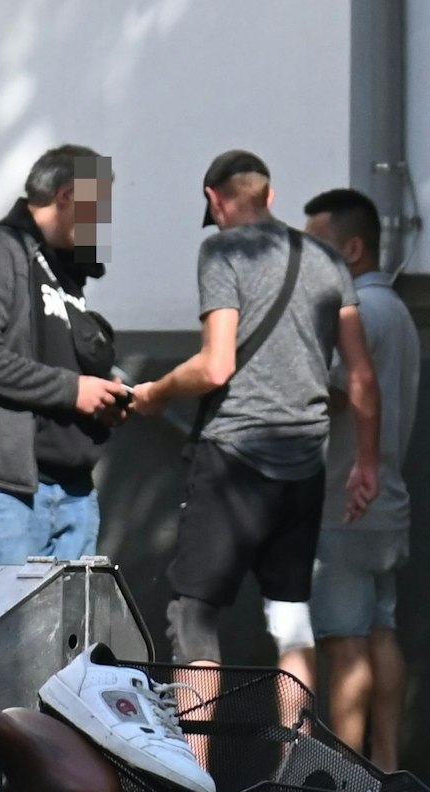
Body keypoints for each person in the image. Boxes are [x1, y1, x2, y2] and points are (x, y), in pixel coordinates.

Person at [130, 150, 381, 687]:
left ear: (214, 200)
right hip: (305, 464)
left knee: (193, 614)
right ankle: (298, 760)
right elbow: (361, 376)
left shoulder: (222, 252)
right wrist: (367, 464)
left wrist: (155, 391)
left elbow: (216, 365)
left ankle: (192, 771)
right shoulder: (329, 261)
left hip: (232, 460)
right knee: (290, 621)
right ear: (270, 195)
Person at [0, 144, 131, 564]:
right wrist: (73, 390)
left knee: (75, 628)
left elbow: (60, 364)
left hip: (75, 491)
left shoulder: (66, 273)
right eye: (99, 206)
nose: (103, 221)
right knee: (15, 627)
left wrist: (107, 388)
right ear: (68, 197)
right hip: (11, 490)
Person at [301, 188, 420, 771]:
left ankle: (345, 779)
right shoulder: (395, 310)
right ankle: (387, 765)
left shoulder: (358, 315)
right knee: (381, 631)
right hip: (386, 498)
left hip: (341, 499)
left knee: (343, 640)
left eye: (318, 246)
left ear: (352, 248)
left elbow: (330, 393)